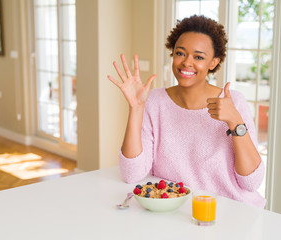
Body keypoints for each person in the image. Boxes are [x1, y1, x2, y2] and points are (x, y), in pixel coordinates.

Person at [107, 15, 266, 208]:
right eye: (180, 53)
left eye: (198, 57)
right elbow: (132, 174)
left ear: (213, 63)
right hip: (176, 211)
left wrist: (235, 121)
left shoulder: (233, 102)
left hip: (232, 211)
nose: (186, 63)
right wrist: (136, 109)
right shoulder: (155, 101)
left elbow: (251, 183)